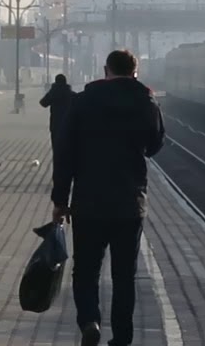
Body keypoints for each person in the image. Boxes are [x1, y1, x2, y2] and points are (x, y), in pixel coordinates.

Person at [52, 50, 165, 346]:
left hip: (89, 201)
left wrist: (60, 200)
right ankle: (122, 338)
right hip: (130, 202)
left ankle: (90, 320)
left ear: (106, 70)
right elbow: (155, 144)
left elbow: (65, 153)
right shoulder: (146, 101)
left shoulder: (84, 101)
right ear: (135, 71)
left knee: (85, 270)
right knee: (124, 276)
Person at [39, 74, 74, 161]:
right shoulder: (71, 94)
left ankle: (58, 167)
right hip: (69, 125)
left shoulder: (53, 92)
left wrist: (52, 90)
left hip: (56, 125)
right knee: (69, 148)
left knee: (57, 149)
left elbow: (43, 103)